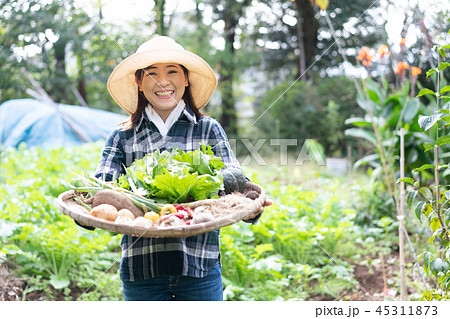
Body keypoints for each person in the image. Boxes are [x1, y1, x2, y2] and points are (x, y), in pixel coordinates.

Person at [92, 35, 271, 301]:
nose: (162, 82)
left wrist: (250, 209)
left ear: (186, 79)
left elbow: (235, 187)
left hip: (200, 268)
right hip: (142, 271)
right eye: (151, 74)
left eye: (172, 72)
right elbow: (101, 191)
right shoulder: (121, 136)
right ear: (139, 83)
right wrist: (88, 210)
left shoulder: (209, 129)